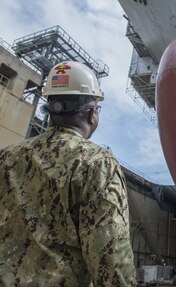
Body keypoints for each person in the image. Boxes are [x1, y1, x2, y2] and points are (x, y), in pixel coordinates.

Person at [0, 61, 136, 286]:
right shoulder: (96, 163)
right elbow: (111, 261)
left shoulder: (6, 158)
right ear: (93, 114)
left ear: (50, 109)